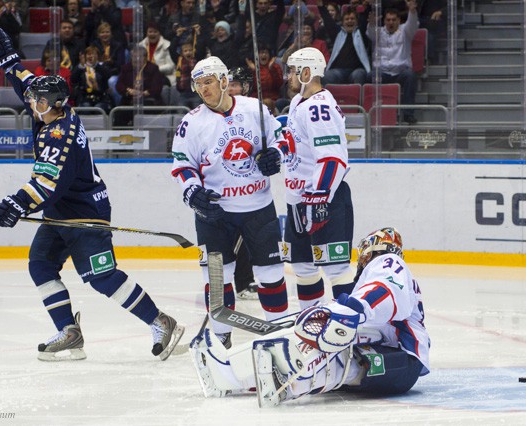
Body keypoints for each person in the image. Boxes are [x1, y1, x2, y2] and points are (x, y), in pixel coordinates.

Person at [0, 26, 184, 362]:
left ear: (54, 104)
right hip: (60, 212)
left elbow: (46, 185)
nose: (32, 103)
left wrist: (15, 204)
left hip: (85, 212)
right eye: (35, 99)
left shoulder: (59, 135)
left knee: (102, 277)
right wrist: (10, 62)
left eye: (38, 101)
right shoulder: (54, 108)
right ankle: (69, 332)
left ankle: (162, 321)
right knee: (41, 264)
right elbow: (28, 85)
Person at [190, 227, 430, 407]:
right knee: (327, 339)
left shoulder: (389, 262)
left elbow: (386, 293)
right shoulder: (377, 276)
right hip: (392, 364)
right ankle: (240, 376)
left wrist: (350, 311)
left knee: (338, 349)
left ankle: (277, 381)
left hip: (404, 358)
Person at [170, 56, 290, 349]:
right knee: (217, 280)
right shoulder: (191, 123)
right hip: (215, 216)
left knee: (271, 275)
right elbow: (182, 166)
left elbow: (284, 140)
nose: (203, 89)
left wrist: (275, 155)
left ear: (224, 81)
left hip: (258, 209)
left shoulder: (254, 109)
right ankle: (220, 340)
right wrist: (193, 193)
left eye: (208, 82)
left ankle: (280, 338)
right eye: (198, 84)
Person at [280, 47, 355, 311]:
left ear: (307, 73)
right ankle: (310, 321)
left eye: (292, 71)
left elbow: (332, 158)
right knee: (303, 266)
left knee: (336, 268)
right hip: (298, 200)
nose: (288, 76)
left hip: (322, 199)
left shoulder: (318, 107)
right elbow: (294, 142)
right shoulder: (297, 103)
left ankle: (348, 325)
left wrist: (319, 197)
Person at [225, 65, 258, 301]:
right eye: (229, 84)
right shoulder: (219, 110)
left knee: (245, 236)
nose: (231, 89)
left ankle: (244, 282)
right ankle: (226, 283)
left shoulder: (255, 110)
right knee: (228, 239)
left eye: (235, 85)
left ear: (245, 87)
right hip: (226, 184)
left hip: (248, 183)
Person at [367, 1, 419, 124]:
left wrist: (412, 11)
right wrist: (372, 23)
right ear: (384, 21)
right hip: (382, 72)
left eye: (394, 20)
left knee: (410, 76)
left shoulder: (405, 31)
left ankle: (408, 114)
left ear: (399, 20)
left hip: (400, 72)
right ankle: (372, 113)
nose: (391, 22)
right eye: (388, 20)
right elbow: (370, 32)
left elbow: (412, 24)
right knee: (369, 76)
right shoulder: (379, 32)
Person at [317, 0, 371, 85]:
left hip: (357, 70)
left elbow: (364, 18)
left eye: (352, 19)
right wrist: (320, 6)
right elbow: (328, 21)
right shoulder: (337, 33)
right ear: (342, 22)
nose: (349, 21)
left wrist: (368, 6)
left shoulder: (361, 32)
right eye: (347, 19)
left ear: (357, 22)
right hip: (339, 71)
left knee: (359, 75)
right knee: (327, 76)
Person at [71, 45, 113, 111]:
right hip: (84, 98)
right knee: (86, 107)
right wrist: (81, 66)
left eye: (93, 54)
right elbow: (73, 80)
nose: (90, 56)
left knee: (98, 108)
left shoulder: (102, 67)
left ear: (97, 56)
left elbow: (107, 75)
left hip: (101, 98)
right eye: (88, 54)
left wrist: (96, 65)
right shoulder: (81, 68)